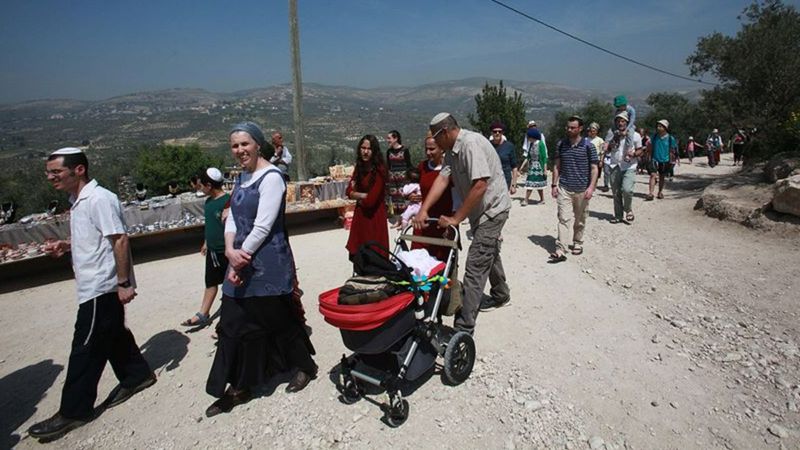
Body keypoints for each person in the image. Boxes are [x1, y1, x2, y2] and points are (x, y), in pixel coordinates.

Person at [29, 148, 155, 440]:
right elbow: (96, 238)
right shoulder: (80, 200)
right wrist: (67, 246)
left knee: (85, 346)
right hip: (95, 285)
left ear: (79, 170)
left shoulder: (98, 199)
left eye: (56, 172)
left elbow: (119, 239)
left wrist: (123, 283)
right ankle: (137, 376)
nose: (50, 178)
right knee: (110, 333)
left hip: (101, 286)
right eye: (49, 172)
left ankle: (74, 410)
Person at [205, 122, 317, 417]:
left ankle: (305, 366)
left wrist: (240, 256)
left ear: (257, 144)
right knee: (231, 323)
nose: (240, 150)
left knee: (279, 318)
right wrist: (230, 251)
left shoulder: (271, 177)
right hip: (239, 259)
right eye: (234, 145)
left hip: (266, 263)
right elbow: (231, 217)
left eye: (245, 144)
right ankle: (239, 386)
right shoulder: (242, 177)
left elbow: (264, 225)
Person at [413, 113, 512, 333]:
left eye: (436, 138)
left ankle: (463, 328)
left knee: (476, 264)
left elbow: (480, 185)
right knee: (487, 250)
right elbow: (442, 178)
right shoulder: (451, 152)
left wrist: (456, 218)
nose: (434, 144)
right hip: (480, 211)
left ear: (445, 132)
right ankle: (501, 293)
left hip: (492, 209)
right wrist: (424, 209)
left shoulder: (470, 145)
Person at [181, 167, 230, 327]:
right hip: (213, 251)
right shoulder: (208, 202)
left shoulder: (227, 202)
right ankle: (203, 313)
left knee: (230, 287)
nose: (199, 187)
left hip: (226, 251)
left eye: (201, 184)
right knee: (210, 282)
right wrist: (206, 242)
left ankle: (228, 321)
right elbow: (211, 225)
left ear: (209, 185)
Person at [548, 116, 599, 263]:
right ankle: (560, 249)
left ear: (580, 129)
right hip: (565, 187)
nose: (569, 130)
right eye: (568, 127)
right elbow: (557, 165)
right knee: (563, 218)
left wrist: (591, 187)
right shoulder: (561, 144)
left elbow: (594, 168)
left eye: (572, 127)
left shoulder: (589, 146)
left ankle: (577, 242)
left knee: (580, 219)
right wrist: (554, 184)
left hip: (582, 188)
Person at [346, 134, 389, 263]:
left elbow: (371, 201)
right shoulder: (359, 168)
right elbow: (348, 191)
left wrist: (356, 194)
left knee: (375, 254)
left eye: (369, 149)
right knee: (359, 253)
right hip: (360, 217)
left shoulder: (380, 170)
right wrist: (361, 195)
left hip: (374, 217)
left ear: (374, 151)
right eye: (363, 148)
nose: (365, 151)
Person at [412, 136, 455, 262]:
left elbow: (456, 197)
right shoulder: (422, 167)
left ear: (441, 149)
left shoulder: (450, 169)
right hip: (424, 220)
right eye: (426, 149)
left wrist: (453, 221)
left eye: (432, 149)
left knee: (442, 261)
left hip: (442, 220)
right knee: (418, 260)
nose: (428, 153)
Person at [604, 111, 643, 223]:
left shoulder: (635, 135)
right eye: (618, 121)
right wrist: (609, 147)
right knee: (616, 192)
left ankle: (628, 209)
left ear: (627, 122)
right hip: (614, 165)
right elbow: (607, 149)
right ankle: (618, 216)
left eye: (623, 121)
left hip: (629, 166)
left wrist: (634, 154)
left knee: (627, 190)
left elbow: (640, 150)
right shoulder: (612, 135)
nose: (620, 123)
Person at [645, 119, 678, 201]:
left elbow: (673, 150)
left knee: (662, 176)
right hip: (654, 158)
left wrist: (673, 160)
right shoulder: (654, 136)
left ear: (665, 128)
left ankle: (660, 192)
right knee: (653, 175)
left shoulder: (670, 138)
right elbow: (649, 145)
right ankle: (651, 193)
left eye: (660, 126)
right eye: (658, 126)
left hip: (665, 160)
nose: (658, 127)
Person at [385, 130, 412, 218]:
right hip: (393, 179)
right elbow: (388, 166)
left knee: (403, 197)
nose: (388, 140)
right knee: (394, 199)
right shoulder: (389, 152)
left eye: (389, 138)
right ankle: (397, 219)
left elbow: (409, 165)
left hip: (403, 178)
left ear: (395, 138)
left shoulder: (405, 150)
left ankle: (405, 217)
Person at [519, 128, 548, 205]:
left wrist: (545, 170)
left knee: (534, 183)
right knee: (533, 183)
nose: (528, 139)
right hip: (532, 167)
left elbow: (544, 157)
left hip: (539, 167)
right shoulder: (531, 144)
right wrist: (522, 167)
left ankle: (526, 200)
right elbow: (528, 157)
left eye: (528, 137)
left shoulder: (540, 144)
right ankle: (540, 199)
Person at [488, 121, 519, 194]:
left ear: (502, 133)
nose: (497, 133)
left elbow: (514, 167)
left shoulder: (509, 146)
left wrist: (514, 185)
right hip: (490, 181)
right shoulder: (487, 145)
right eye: (495, 131)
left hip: (505, 181)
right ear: (492, 133)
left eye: (500, 131)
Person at [587, 122, 608, 192]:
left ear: (596, 131)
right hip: (587, 159)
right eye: (591, 131)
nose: (592, 132)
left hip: (596, 159)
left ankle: (593, 188)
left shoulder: (600, 140)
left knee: (595, 175)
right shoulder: (586, 139)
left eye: (594, 131)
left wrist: (601, 161)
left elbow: (602, 151)